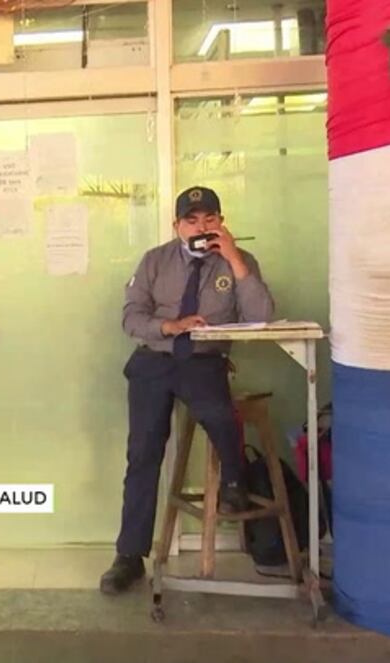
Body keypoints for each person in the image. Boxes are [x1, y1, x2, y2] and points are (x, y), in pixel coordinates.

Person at [101, 185, 274, 595]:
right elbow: (130, 317)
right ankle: (129, 556)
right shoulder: (155, 260)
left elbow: (261, 317)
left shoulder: (239, 261)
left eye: (209, 219)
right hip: (155, 359)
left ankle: (235, 482)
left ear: (221, 222)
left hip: (203, 360)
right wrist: (169, 326)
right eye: (191, 220)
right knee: (143, 454)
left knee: (219, 415)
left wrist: (234, 258)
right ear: (177, 225)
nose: (201, 227)